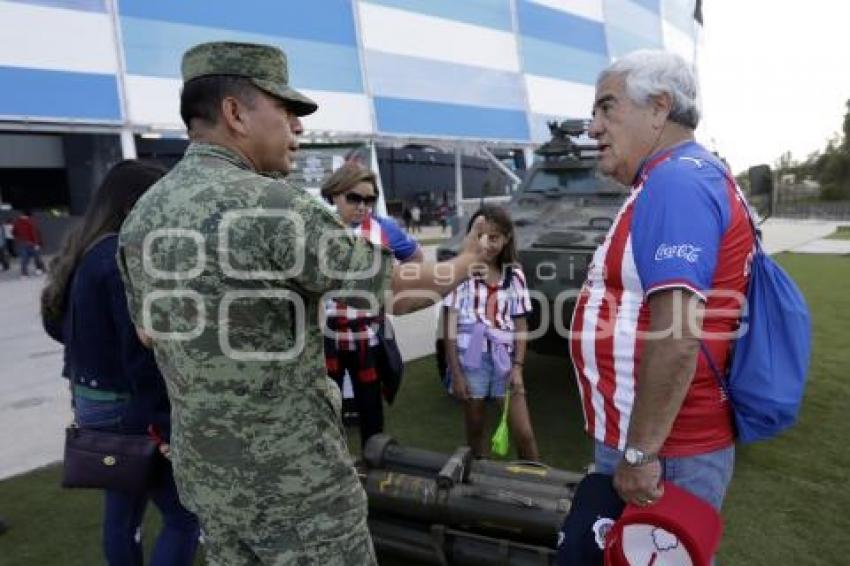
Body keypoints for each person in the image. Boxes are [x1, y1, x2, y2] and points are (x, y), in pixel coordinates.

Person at [117, 41, 486, 564]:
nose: (299, 128)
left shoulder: (142, 216)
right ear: (235, 113)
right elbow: (396, 292)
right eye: (287, 111)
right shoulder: (272, 204)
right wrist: (467, 260)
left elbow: (147, 332)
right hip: (296, 487)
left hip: (209, 479)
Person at [569, 50, 755, 517]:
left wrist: (640, 452)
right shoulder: (673, 177)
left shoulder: (675, 182)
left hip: (665, 453)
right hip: (660, 444)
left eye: (606, 107)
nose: (593, 127)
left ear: (658, 107)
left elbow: (677, 334)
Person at [40, 160, 200, 566]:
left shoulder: (85, 248)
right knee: (183, 517)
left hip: (92, 401)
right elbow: (140, 355)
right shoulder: (120, 256)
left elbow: (58, 325)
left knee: (123, 511)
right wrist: (164, 426)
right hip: (127, 403)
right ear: (135, 205)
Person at [321, 161, 423, 447]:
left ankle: (374, 461)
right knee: (326, 410)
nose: (362, 206)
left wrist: (390, 290)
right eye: (354, 198)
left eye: (369, 199)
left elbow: (415, 258)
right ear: (334, 195)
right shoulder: (319, 228)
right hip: (326, 337)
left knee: (371, 409)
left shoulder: (384, 228)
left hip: (369, 337)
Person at [443, 206, 540, 460]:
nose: (487, 243)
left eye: (495, 237)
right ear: (471, 238)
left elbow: (521, 326)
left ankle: (535, 486)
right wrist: (456, 374)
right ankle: (478, 479)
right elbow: (449, 328)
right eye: (481, 236)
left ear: (507, 238)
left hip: (505, 361)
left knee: (525, 434)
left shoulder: (514, 274)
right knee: (475, 427)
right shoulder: (459, 273)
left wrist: (517, 367)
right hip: (470, 361)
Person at [12, 209, 45, 276]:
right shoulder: (31, 221)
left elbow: (14, 232)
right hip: (32, 243)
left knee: (24, 258)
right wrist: (37, 243)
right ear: (29, 215)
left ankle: (24, 273)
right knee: (37, 257)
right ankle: (39, 269)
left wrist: (18, 239)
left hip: (22, 242)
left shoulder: (17, 222)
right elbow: (35, 233)